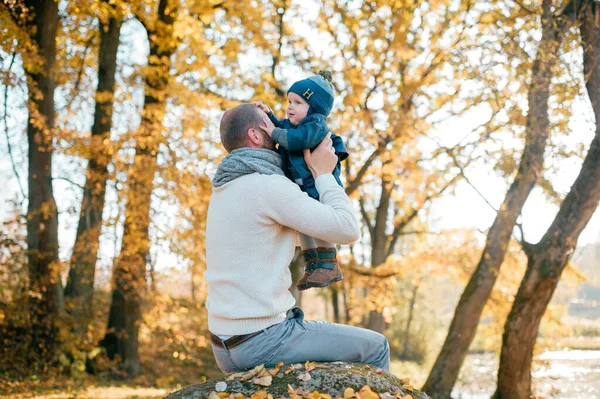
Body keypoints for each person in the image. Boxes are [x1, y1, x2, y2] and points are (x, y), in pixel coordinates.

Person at [204, 103, 390, 373]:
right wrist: (324, 175)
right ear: (255, 136)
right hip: (261, 340)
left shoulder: (222, 189)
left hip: (223, 344)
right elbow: (348, 228)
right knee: (377, 346)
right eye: (268, 124)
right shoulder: (266, 185)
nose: (279, 129)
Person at [255, 70, 348, 291]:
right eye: (289, 101)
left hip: (316, 186)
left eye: (298, 102)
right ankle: (312, 265)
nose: (290, 107)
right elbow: (280, 128)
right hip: (301, 189)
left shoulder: (315, 125)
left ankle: (329, 264)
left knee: (321, 225)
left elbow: (296, 140)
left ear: (315, 108)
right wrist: (269, 116)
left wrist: (275, 131)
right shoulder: (291, 125)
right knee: (303, 227)